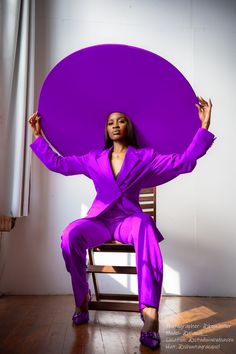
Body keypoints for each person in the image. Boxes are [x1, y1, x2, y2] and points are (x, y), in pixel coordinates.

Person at [28, 96, 216, 349]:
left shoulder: (145, 157)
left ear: (129, 126)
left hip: (128, 220)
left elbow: (182, 162)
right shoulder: (92, 158)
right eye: (110, 123)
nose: (115, 125)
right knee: (70, 234)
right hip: (100, 221)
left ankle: (150, 313)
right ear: (106, 129)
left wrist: (203, 128)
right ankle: (81, 298)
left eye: (121, 121)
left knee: (145, 225)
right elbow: (59, 164)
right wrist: (39, 137)